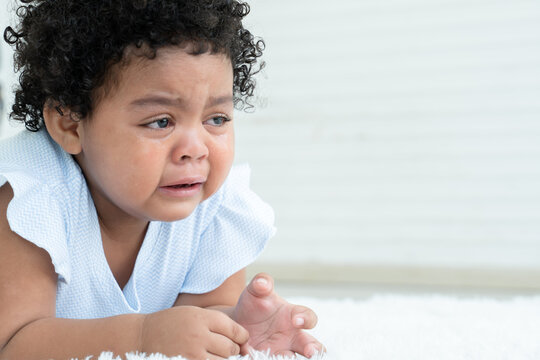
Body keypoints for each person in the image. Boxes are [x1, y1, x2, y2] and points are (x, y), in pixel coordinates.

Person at [0, 1, 324, 359]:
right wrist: (142, 337)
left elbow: (198, 315)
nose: (195, 150)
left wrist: (237, 327)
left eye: (216, 119)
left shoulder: (216, 207)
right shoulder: (28, 199)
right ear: (71, 124)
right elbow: (12, 343)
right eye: (161, 122)